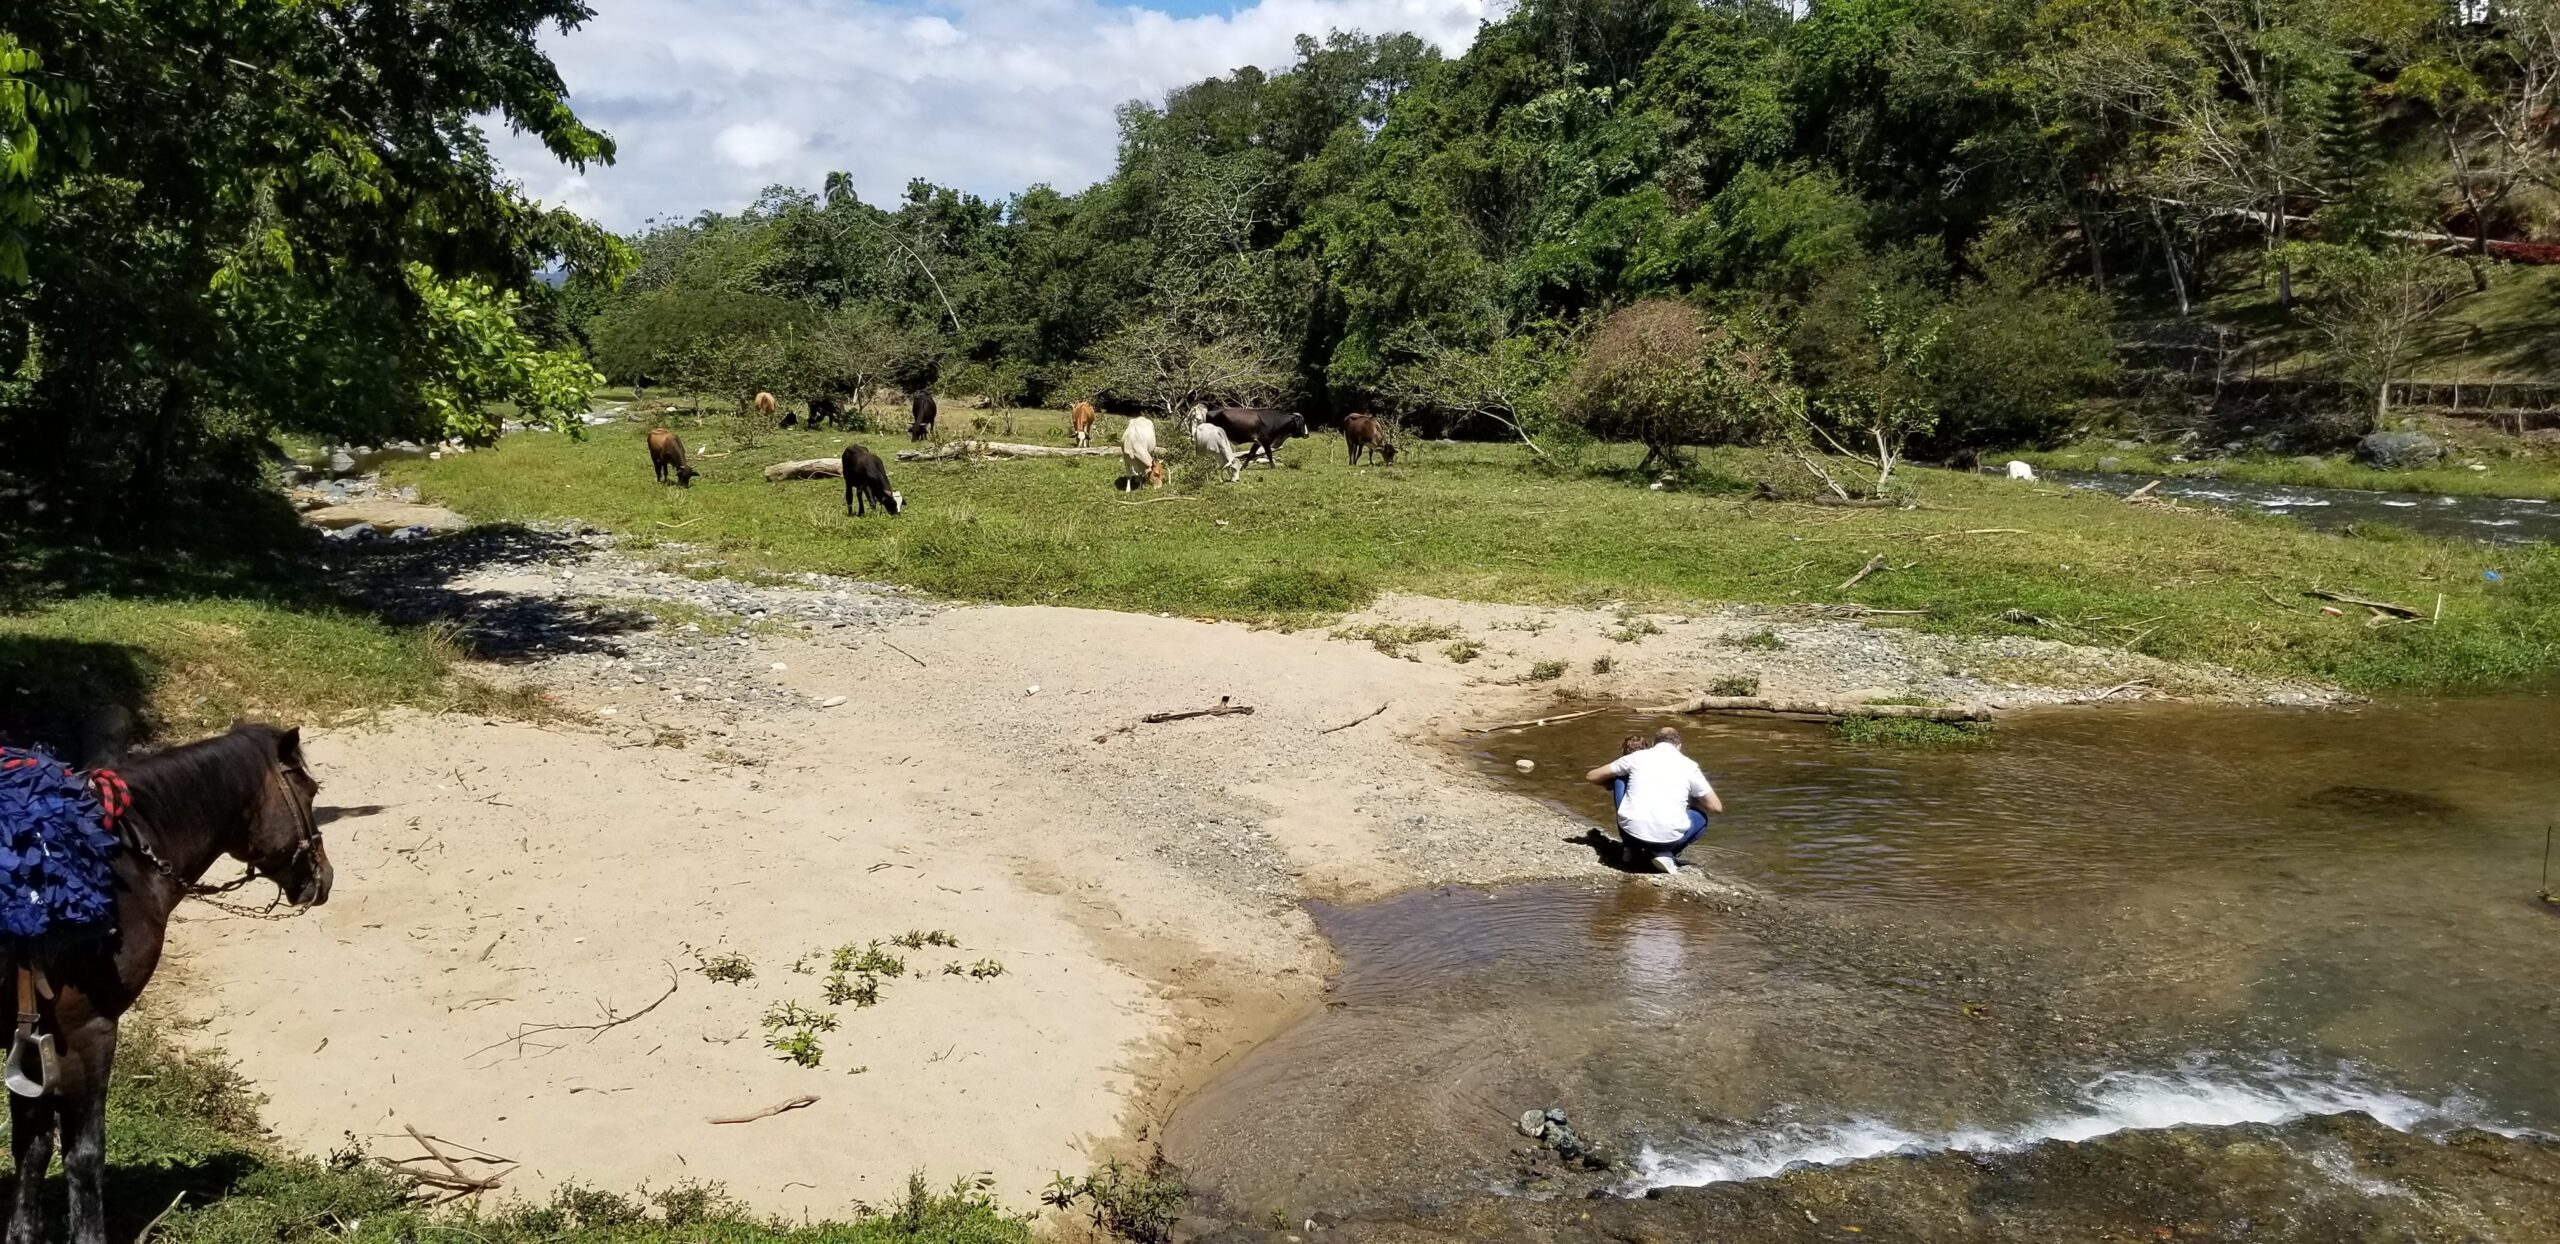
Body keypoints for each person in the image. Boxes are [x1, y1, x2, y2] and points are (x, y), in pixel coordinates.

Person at [1586, 725, 1722, 874]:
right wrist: (1693, 800)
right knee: (1701, 817)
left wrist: (1609, 785)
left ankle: (1630, 849)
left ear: (1653, 743)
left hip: (1630, 831)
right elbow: (1715, 807)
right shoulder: (1690, 766)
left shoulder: (1636, 757)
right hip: (1668, 838)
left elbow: (1591, 776)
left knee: (1620, 779)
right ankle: (1667, 853)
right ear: (1679, 746)